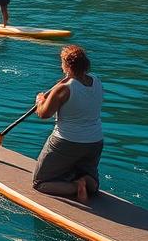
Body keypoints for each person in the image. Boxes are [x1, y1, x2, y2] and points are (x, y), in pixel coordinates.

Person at [32, 46, 103, 204]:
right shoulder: (96, 81)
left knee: (40, 183)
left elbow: (43, 114)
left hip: (67, 141)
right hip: (95, 141)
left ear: (67, 66)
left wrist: (39, 100)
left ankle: (76, 186)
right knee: (86, 173)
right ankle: (88, 183)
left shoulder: (64, 89)